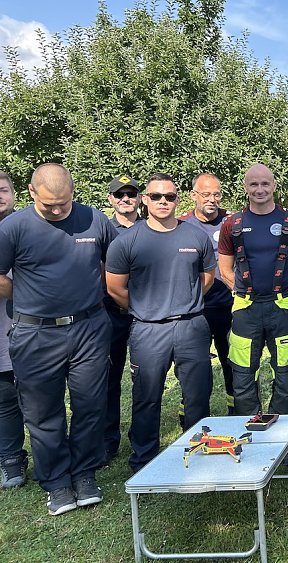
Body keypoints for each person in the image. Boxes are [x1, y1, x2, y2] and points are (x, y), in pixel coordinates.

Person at [0, 163, 116, 515]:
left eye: (63, 203)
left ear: (73, 192)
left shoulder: (94, 220)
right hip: (35, 333)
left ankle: (84, 473)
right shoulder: (13, 227)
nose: (56, 210)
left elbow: (111, 264)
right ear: (32, 193)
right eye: (49, 204)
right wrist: (28, 294)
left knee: (90, 405)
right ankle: (56, 483)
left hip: (89, 328)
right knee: (42, 412)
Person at [105, 173, 215, 472]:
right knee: (147, 397)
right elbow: (115, 287)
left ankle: (199, 448)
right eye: (156, 196)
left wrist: (183, 302)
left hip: (191, 326)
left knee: (197, 395)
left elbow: (205, 279)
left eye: (169, 196)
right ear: (145, 200)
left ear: (178, 199)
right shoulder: (127, 241)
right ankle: (144, 458)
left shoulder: (195, 236)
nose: (163, 201)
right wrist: (145, 308)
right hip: (148, 329)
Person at [218, 164, 288, 424]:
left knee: (285, 372)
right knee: (244, 374)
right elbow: (225, 270)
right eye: (254, 185)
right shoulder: (232, 224)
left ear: (274, 186)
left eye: (265, 184)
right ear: (246, 187)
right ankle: (250, 433)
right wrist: (244, 292)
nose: (260, 190)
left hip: (283, 307)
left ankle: (283, 436)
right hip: (246, 309)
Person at [180, 173, 235, 415]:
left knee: (233, 362)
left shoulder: (232, 221)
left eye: (216, 194)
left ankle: (237, 410)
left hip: (229, 306)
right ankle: (192, 416)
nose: (211, 199)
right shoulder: (181, 225)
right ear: (193, 195)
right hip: (195, 309)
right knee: (194, 368)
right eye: (206, 194)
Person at [102, 175, 143, 463]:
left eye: (131, 194)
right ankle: (107, 441)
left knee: (146, 379)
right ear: (111, 200)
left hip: (146, 316)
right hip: (112, 315)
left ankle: (141, 438)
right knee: (109, 379)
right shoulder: (103, 229)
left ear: (140, 198)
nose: (126, 199)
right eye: (120, 195)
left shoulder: (152, 227)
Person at [0, 172, 27, 489]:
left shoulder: (27, 227)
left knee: (42, 397)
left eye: (3, 190)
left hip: (33, 327)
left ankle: (56, 452)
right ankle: (11, 461)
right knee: (5, 397)